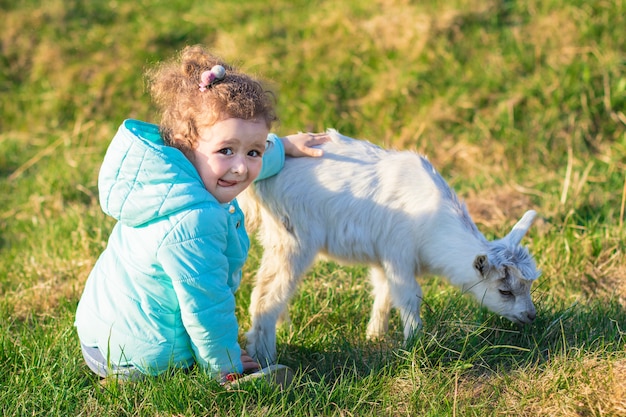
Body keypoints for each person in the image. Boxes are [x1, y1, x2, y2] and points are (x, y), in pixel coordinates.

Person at [74, 45, 328, 384]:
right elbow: (206, 307)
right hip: (139, 352)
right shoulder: (193, 220)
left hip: (99, 331)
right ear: (187, 141)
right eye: (227, 150)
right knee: (204, 318)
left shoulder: (163, 175)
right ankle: (146, 376)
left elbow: (235, 157)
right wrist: (226, 367)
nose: (241, 167)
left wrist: (282, 147)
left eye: (255, 150)